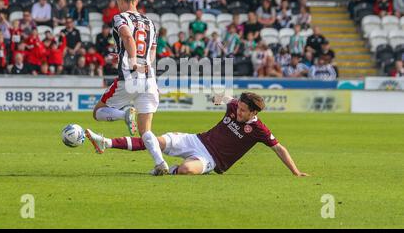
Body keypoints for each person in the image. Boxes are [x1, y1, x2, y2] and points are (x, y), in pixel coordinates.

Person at [85, 92, 309, 176]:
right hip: (196, 139)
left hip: (211, 159)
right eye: (238, 107)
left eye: (242, 110)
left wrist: (296, 172)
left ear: (254, 112)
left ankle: (169, 171)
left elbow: (279, 148)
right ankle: (105, 142)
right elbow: (220, 97)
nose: (238, 111)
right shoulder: (233, 106)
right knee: (154, 139)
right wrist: (218, 97)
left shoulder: (259, 130)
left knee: (186, 170)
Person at [89, 0, 167, 175]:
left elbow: (127, 36)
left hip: (130, 76)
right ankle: (160, 163)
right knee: (145, 130)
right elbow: (153, 51)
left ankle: (124, 115)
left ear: (120, 1)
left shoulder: (120, 17)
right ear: (137, 0)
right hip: (149, 79)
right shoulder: (150, 22)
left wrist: (133, 62)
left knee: (98, 112)